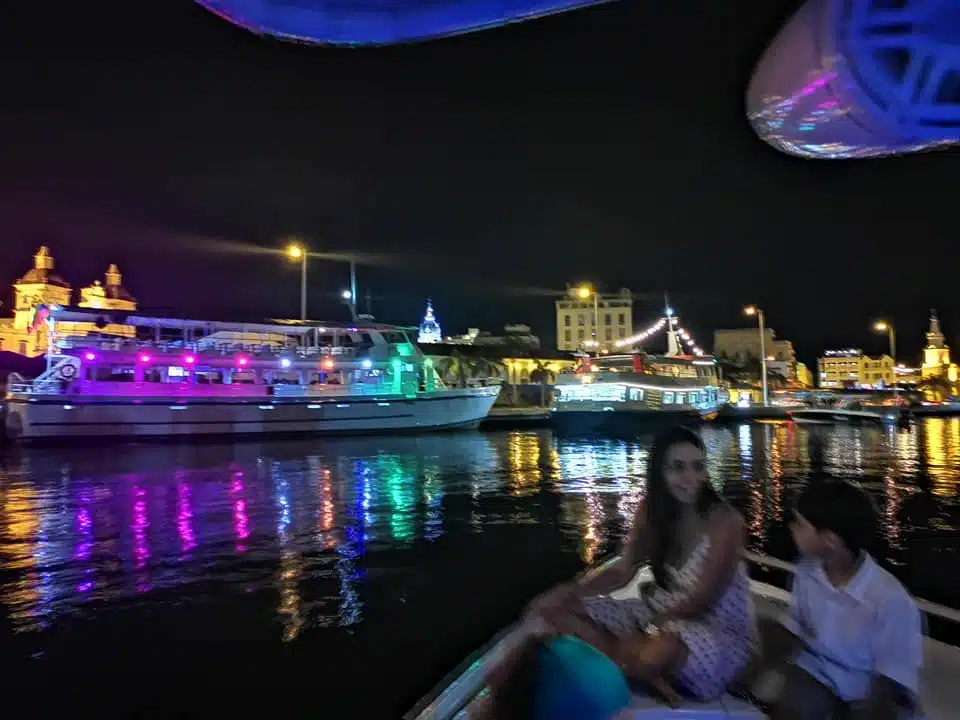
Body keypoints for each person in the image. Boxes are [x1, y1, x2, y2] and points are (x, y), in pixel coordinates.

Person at [481, 425, 756, 715]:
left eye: (698, 466)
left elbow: (701, 600)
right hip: (657, 613)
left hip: (712, 629)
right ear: (659, 471)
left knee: (658, 650)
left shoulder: (725, 521)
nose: (691, 478)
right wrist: (571, 591)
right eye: (678, 467)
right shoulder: (652, 511)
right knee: (552, 611)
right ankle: (639, 670)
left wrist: (647, 631)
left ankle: (631, 665)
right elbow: (622, 571)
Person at [767, 480, 924, 719]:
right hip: (820, 675)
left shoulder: (888, 598)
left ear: (829, 540)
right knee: (794, 699)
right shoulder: (807, 572)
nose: (792, 528)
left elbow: (893, 676)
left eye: (800, 524)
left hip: (867, 690)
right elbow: (800, 624)